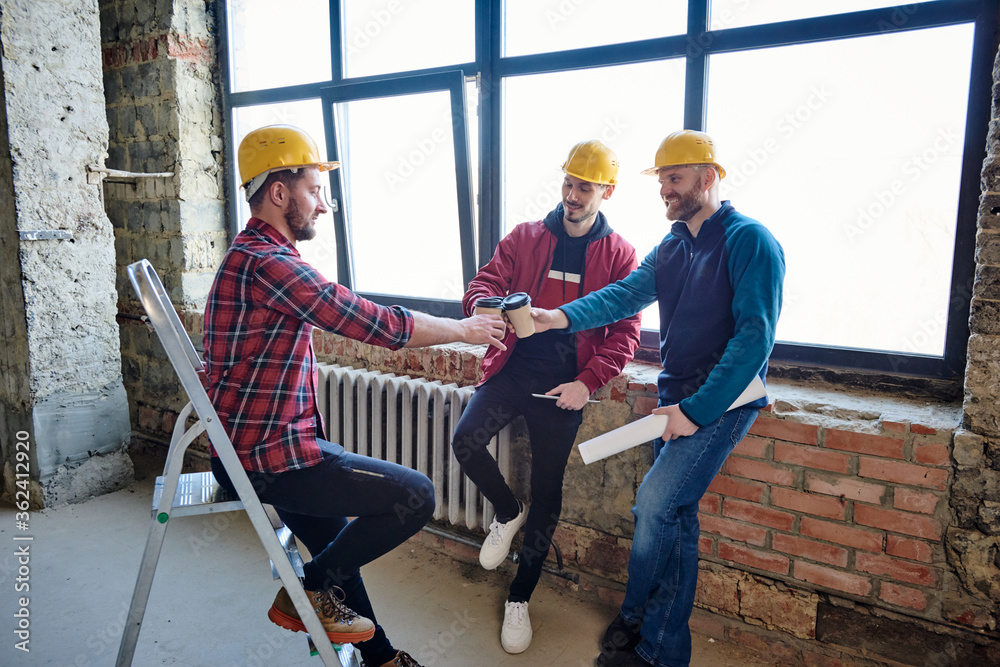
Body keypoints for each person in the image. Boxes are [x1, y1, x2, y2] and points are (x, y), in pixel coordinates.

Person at [202, 124, 507, 667]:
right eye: (314, 190)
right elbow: (373, 323)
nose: (322, 205)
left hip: (261, 447)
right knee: (414, 495)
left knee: (336, 542)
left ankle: (380, 658)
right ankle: (309, 590)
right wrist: (465, 329)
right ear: (279, 192)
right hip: (266, 458)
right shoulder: (268, 264)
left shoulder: (255, 254)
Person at [531, 130, 785, 667]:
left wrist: (694, 413)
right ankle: (652, 630)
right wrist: (559, 316)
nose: (664, 190)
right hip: (675, 400)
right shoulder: (674, 245)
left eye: (674, 178)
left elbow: (753, 341)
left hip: (723, 402)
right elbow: (624, 294)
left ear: (708, 178)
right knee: (674, 516)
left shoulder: (750, 241)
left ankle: (648, 643)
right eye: (663, 180)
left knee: (654, 505)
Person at [452, 140, 642, 654]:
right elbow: (483, 282)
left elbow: (626, 332)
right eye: (568, 183)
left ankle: (520, 597)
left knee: (549, 493)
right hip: (511, 369)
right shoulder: (526, 236)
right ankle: (506, 511)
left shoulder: (620, 254)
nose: (573, 195)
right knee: (465, 440)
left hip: (565, 387)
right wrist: (485, 306)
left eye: (585, 186)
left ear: (607, 191)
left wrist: (588, 382)